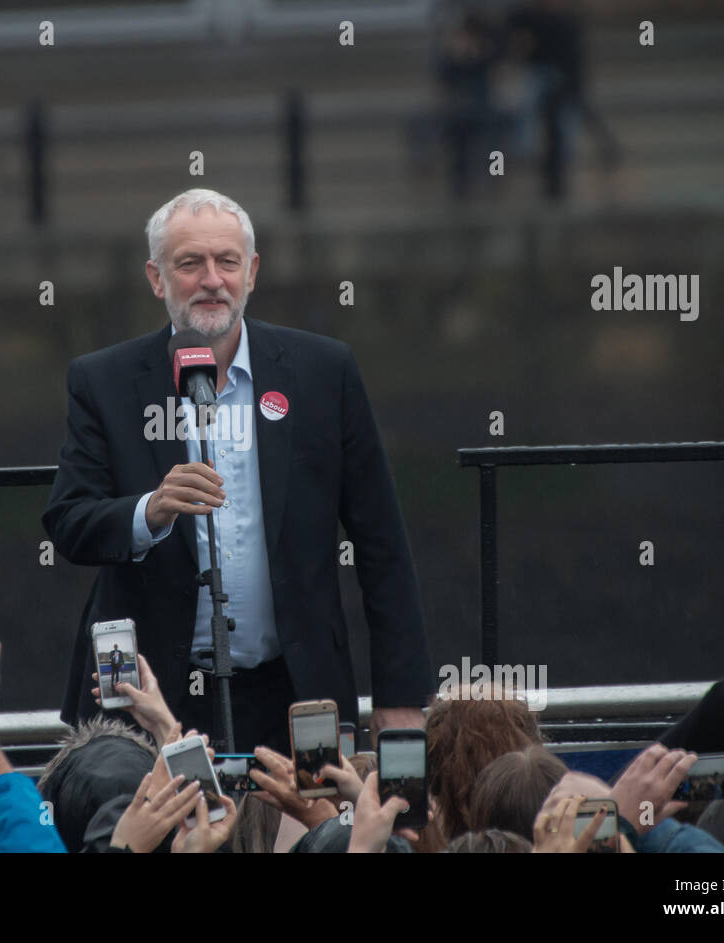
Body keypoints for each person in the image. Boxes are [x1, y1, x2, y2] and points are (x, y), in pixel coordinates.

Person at [42, 188, 433, 755]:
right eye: (190, 263)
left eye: (226, 262)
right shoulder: (104, 381)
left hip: (297, 689)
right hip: (153, 697)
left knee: (315, 842)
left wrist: (400, 693)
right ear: (156, 277)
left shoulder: (323, 372)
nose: (211, 279)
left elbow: (382, 545)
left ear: (251, 271)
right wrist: (147, 511)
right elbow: (69, 519)